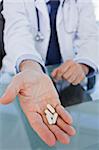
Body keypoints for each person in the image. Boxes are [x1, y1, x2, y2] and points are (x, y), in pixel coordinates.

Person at [0, 0, 99, 146]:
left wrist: (83, 65)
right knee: (33, 132)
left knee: (62, 131)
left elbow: (91, 36)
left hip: (67, 81)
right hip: (23, 79)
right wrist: (31, 68)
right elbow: (17, 33)